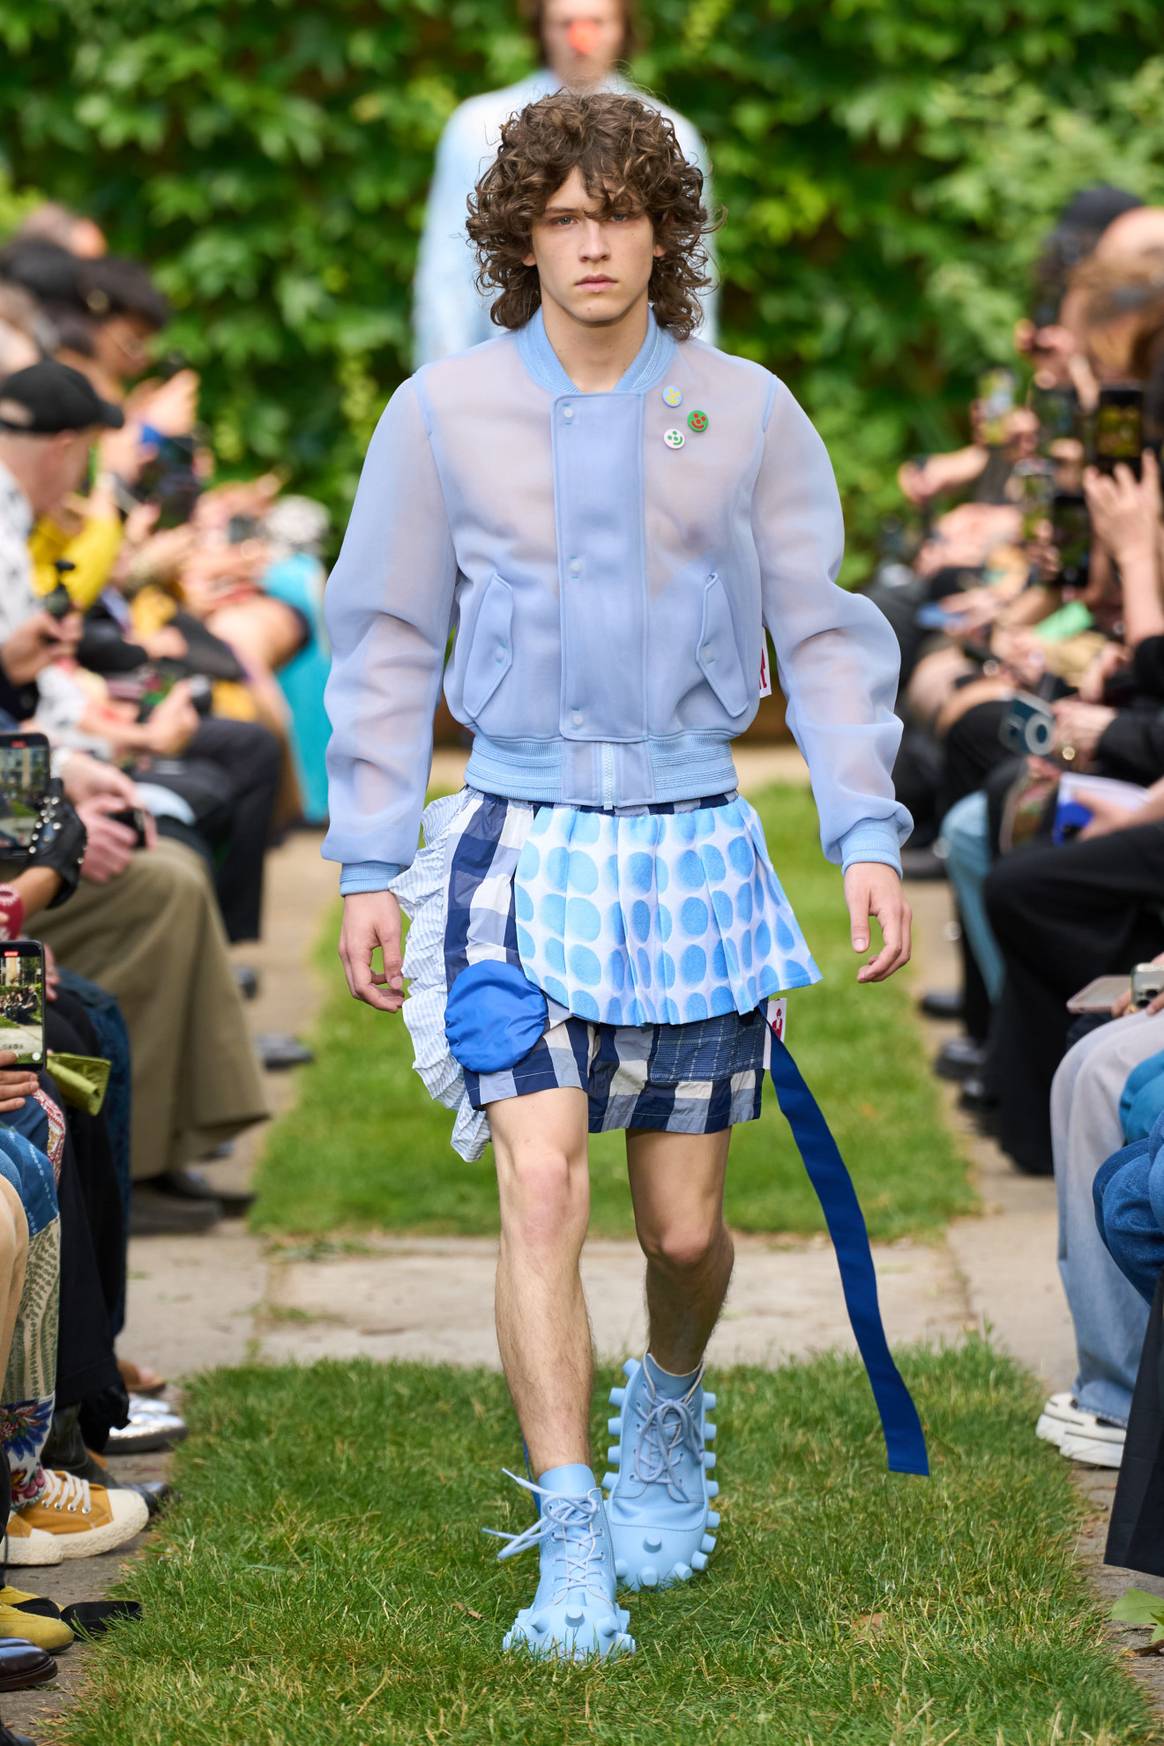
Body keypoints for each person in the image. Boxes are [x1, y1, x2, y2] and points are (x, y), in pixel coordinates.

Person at [326, 90, 922, 1661]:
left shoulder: (748, 409)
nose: (594, 245)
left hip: (691, 842)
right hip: (513, 842)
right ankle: (571, 1528)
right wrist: (370, 858)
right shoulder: (442, 412)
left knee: (681, 1233)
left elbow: (825, 628)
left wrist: (865, 830)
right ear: (521, 241)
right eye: (564, 219)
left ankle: (665, 1402)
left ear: (668, 232)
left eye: (622, 215)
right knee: (540, 1180)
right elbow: (382, 640)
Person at [413, 0, 716, 365]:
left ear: (623, 28)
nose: (580, 39)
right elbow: (447, 274)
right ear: (542, 29)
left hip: (642, 372)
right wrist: (446, 379)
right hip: (505, 372)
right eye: (565, 23)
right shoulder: (477, 128)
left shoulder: (671, 133)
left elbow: (693, 271)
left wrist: (694, 375)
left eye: (596, 22)